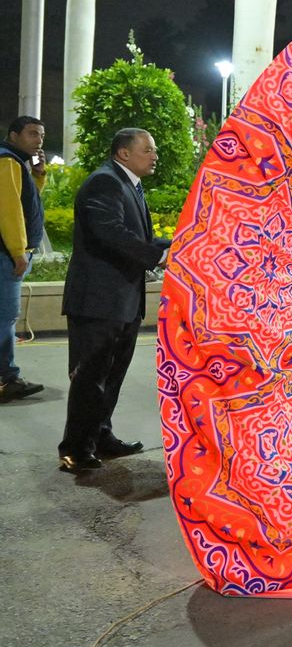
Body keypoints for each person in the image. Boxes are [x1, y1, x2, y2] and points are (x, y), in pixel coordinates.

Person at [57, 128, 172, 473]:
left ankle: (100, 437)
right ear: (124, 153)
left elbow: (140, 237)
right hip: (98, 301)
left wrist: (182, 243)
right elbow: (110, 233)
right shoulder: (104, 182)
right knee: (90, 377)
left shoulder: (128, 184)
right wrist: (158, 257)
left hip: (122, 301)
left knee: (112, 376)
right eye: (148, 150)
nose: (155, 156)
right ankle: (76, 448)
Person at [1, 116, 47, 403]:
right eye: (32, 134)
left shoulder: (16, 163)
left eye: (41, 135)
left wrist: (38, 176)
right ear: (14, 135)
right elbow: (9, 210)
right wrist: (18, 251)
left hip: (8, 254)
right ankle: (7, 379)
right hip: (6, 256)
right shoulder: (7, 161)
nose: (38, 140)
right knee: (4, 318)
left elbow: (25, 202)